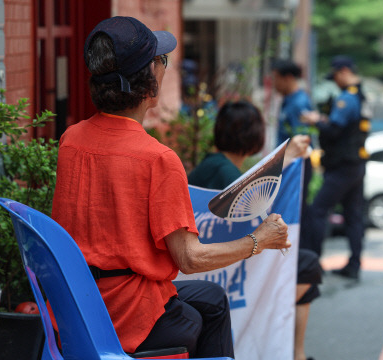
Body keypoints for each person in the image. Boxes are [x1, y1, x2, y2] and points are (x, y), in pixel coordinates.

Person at [51, 16, 290, 358]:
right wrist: (259, 240)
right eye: (161, 61)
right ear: (149, 87)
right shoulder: (157, 158)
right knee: (194, 316)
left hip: (78, 301)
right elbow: (190, 259)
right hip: (127, 312)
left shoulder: (71, 139)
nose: (165, 67)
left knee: (212, 299)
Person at [188, 100, 323, 360]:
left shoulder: (214, 165)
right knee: (306, 265)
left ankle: (296, 352)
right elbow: (250, 199)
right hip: (226, 262)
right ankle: (292, 349)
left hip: (224, 257)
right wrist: (289, 159)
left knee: (303, 265)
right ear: (254, 135)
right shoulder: (224, 171)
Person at [302, 55, 370, 280]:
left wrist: (315, 120)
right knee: (353, 216)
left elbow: (333, 131)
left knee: (318, 210)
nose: (335, 82)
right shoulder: (361, 95)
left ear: (343, 71)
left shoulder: (347, 99)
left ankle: (311, 264)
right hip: (356, 165)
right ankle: (354, 264)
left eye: (336, 77)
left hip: (342, 166)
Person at [271, 59, 316, 252]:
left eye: (276, 79)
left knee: (299, 213)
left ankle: (304, 257)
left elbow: (301, 141)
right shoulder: (288, 100)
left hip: (298, 166)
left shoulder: (299, 102)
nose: (274, 84)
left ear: (288, 78)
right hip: (288, 164)